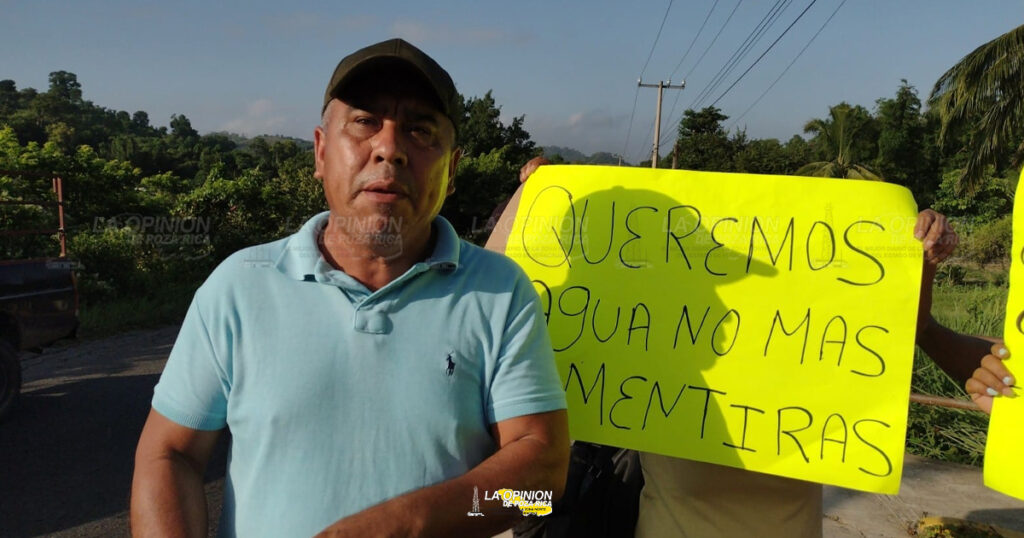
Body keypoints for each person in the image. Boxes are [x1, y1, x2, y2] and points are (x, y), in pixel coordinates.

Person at [130, 39, 569, 538]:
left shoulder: (500, 293)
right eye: (364, 122)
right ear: (319, 151)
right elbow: (171, 454)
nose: (390, 148)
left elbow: (539, 487)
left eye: (420, 130)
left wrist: (409, 523)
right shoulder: (238, 287)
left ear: (451, 170)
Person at [485, 163, 981, 537]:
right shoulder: (662, 363)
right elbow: (491, 298)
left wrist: (917, 263)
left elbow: (902, 331)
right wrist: (536, 195)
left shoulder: (821, 372)